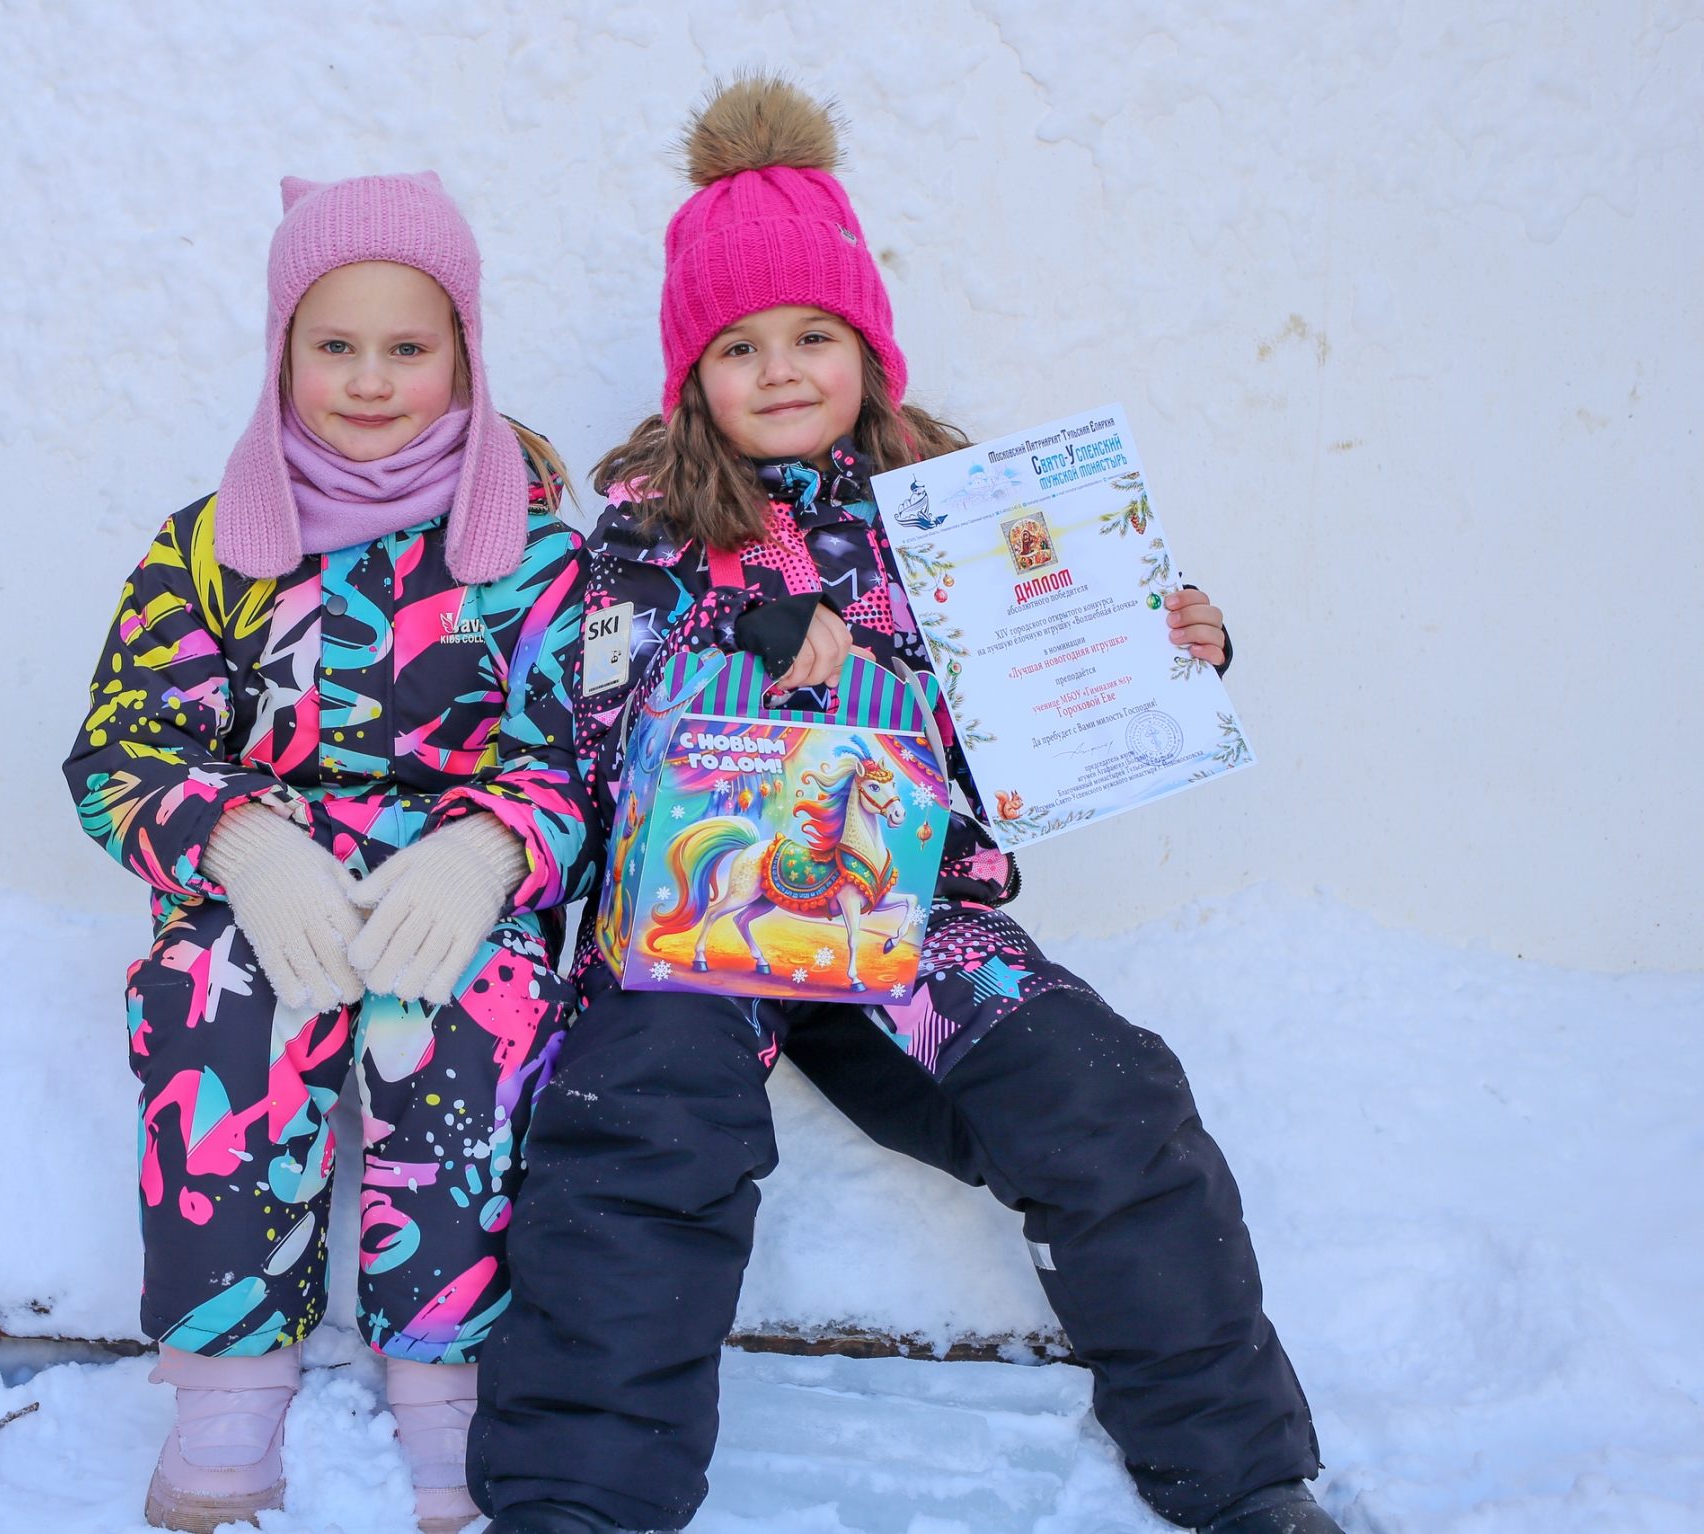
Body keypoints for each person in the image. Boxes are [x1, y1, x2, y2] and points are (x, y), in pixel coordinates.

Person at [468, 78, 1338, 1534]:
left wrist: (1161, 651)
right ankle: (577, 1502)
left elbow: (1024, 718)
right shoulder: (641, 526)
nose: (781, 369)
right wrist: (725, 636)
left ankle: (1242, 1477)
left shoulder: (958, 511)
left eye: (813, 335)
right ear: (693, 376)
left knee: (1105, 1090)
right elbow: (583, 712)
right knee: (640, 1126)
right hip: (704, 914)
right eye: (739, 346)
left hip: (910, 912)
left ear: (867, 346)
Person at [64, 170, 592, 1533]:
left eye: (407, 347)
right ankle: (227, 1397)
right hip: (274, 878)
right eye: (334, 345)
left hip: (445, 882)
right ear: (282, 350)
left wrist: (490, 853)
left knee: (472, 1017)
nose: (369, 381)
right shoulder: (210, 546)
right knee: (214, 999)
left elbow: (582, 757)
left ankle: (449, 1394)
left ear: (464, 352)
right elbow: (121, 750)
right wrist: (240, 844)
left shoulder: (536, 557)